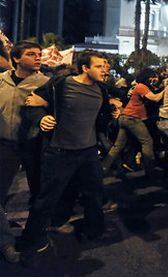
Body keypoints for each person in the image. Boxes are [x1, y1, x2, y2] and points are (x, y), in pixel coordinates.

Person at [20, 51, 114, 263]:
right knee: (46, 199)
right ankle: (29, 242)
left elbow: (103, 114)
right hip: (60, 151)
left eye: (106, 66)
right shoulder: (60, 84)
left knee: (94, 194)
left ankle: (94, 231)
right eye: (99, 66)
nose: (105, 69)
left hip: (89, 151)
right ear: (85, 68)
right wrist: (41, 119)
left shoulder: (102, 89)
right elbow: (32, 102)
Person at [0, 41, 49, 263]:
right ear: (17, 58)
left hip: (34, 144)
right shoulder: (1, 81)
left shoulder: (46, 83)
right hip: (5, 145)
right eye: (31, 54)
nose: (38, 57)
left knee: (39, 192)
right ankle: (6, 243)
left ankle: (35, 234)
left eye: (39, 54)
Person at [102, 68, 164, 179]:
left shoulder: (139, 86)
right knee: (147, 142)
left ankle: (104, 168)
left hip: (125, 117)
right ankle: (150, 171)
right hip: (133, 118)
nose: (153, 79)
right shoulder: (141, 87)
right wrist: (167, 90)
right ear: (147, 77)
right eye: (152, 76)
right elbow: (154, 98)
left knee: (117, 146)